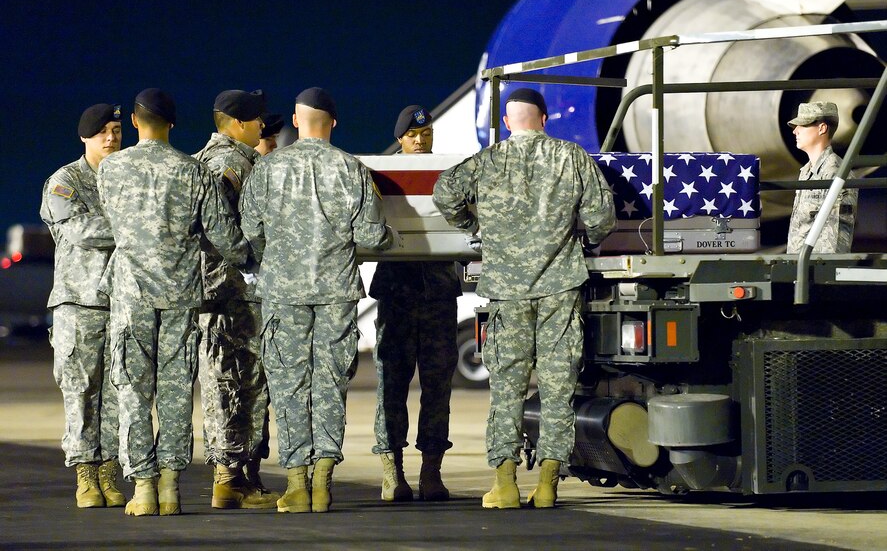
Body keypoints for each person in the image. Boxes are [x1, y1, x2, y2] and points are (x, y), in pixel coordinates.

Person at [432, 88, 616, 509]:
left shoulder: (487, 160)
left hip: (506, 291)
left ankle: (505, 484)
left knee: (506, 390)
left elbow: (445, 193)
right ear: (544, 119)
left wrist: (472, 224)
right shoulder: (571, 157)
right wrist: (585, 237)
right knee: (558, 389)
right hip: (559, 287)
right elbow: (601, 217)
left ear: (506, 122)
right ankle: (548, 484)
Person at [97, 88, 254, 517]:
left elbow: (113, 220)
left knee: (133, 391)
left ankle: (143, 488)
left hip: (131, 295)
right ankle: (170, 487)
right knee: (176, 391)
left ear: (134, 121)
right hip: (181, 294)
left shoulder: (111, 169)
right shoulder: (194, 172)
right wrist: (253, 256)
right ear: (173, 123)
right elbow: (224, 237)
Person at [239, 87, 397, 513]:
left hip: (283, 292)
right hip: (335, 293)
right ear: (334, 123)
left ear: (295, 121)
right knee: (330, 383)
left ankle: (296, 484)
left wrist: (277, 256)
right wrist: (391, 236)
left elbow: (250, 233)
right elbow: (370, 235)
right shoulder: (351, 168)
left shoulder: (268, 169)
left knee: (288, 384)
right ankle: (324, 481)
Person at [369, 105, 461, 502]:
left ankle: (431, 472)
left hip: (439, 293)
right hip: (397, 294)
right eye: (412, 136)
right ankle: (392, 473)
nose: (420, 141)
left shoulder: (448, 175)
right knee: (392, 386)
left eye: (426, 134)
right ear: (400, 139)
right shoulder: (384, 177)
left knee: (438, 387)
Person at [193, 90, 278, 510]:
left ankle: (242, 476)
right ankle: (228, 479)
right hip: (229, 294)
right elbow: (218, 231)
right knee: (231, 383)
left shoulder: (234, 160)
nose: (262, 126)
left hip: (236, 293)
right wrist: (253, 256)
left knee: (245, 383)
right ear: (239, 123)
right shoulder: (226, 164)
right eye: (257, 119)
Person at [40, 103, 126, 509]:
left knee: (118, 392)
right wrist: (137, 228)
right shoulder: (65, 181)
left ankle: (109, 472)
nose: (110, 138)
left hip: (121, 301)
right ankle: (85, 475)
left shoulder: (125, 178)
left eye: (116, 130)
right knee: (80, 390)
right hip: (79, 302)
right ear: (84, 137)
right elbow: (80, 230)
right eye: (101, 131)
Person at [786, 101, 858, 254]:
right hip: (798, 263)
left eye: (803, 125)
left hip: (816, 266)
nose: (795, 131)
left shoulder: (836, 173)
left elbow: (836, 237)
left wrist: (818, 267)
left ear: (822, 128)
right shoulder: (806, 171)